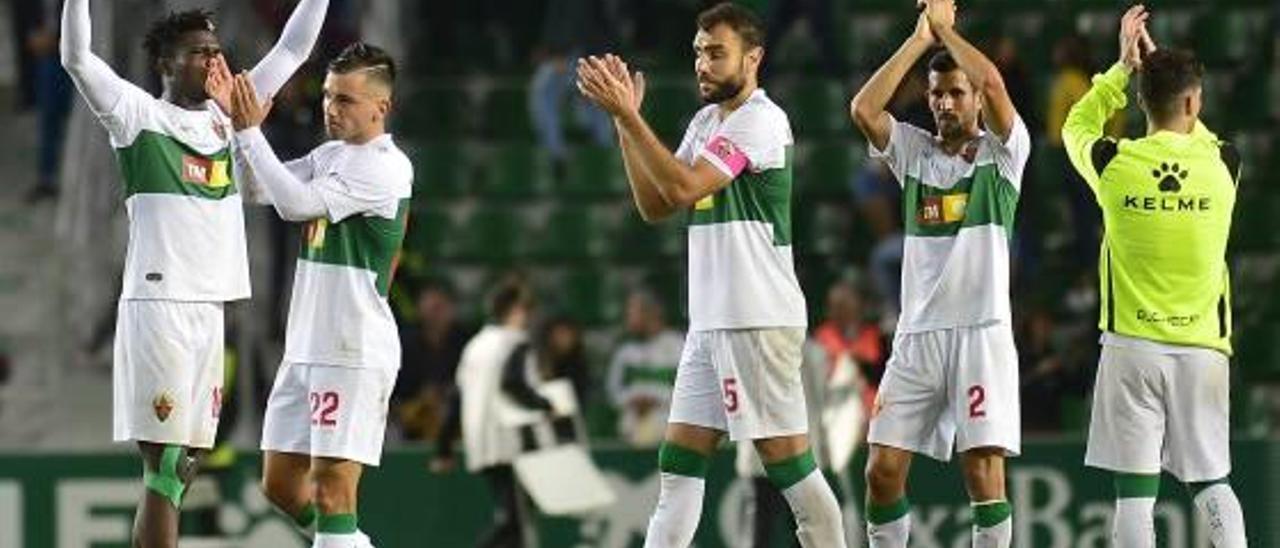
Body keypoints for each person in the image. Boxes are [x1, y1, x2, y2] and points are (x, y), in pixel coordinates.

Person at [577, 3, 846, 546]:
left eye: (717, 53)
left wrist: (632, 117)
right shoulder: (706, 122)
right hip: (711, 322)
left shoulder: (761, 121)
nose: (703, 63)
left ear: (754, 58)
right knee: (677, 464)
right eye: (699, 52)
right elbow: (656, 204)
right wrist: (622, 123)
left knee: (786, 462)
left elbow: (681, 188)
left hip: (756, 318)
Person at [58, 0, 327, 544]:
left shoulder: (229, 116)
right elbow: (77, 57)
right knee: (163, 468)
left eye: (215, 51)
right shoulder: (137, 116)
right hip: (161, 307)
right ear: (165, 64)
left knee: (184, 467)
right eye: (196, 53)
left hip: (211, 307)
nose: (211, 61)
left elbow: (294, 49)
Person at [1062, 6, 1247, 546]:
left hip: (1131, 348)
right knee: (1214, 484)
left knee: (1135, 497)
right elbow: (1200, 134)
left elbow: (1077, 124)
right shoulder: (1225, 163)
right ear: (1193, 102)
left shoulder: (1112, 163)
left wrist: (1123, 71)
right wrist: (1165, 72)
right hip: (1201, 351)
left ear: (1141, 102)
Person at [848, 0, 1031, 545]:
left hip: (980, 333)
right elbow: (863, 109)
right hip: (917, 337)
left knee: (981, 475)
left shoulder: (1004, 154)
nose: (947, 103)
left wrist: (948, 31)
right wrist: (919, 39)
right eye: (937, 95)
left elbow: (996, 84)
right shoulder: (915, 152)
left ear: (973, 97)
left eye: (957, 92)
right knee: (880, 472)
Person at [226, 42, 413, 547]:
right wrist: (244, 139)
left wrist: (248, 132)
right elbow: (258, 190)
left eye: (347, 100)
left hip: (349, 349)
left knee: (333, 494)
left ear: (381, 107)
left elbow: (295, 204)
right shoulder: (331, 155)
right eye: (329, 96)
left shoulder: (385, 167)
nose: (332, 108)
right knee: (282, 485)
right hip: (307, 345)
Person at [434, 275, 552, 548]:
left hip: (481, 445)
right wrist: (547, 405)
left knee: (513, 518)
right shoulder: (515, 342)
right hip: (511, 443)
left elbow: (456, 399)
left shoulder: (475, 346)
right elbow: (514, 383)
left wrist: (444, 447)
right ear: (516, 310)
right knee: (517, 523)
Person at [393, 281, 473, 442]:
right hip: (408, 415)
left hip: (454, 413)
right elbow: (394, 389)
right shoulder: (404, 342)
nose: (436, 314)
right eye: (432, 307)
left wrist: (444, 394)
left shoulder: (465, 342)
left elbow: (470, 384)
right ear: (419, 308)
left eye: (441, 306)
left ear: (452, 309)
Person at [606, 289, 685, 448]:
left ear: (652, 313)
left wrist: (656, 400)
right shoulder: (625, 351)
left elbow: (689, 391)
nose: (629, 318)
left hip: (669, 424)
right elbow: (613, 392)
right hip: (631, 423)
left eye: (633, 313)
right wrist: (632, 399)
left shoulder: (678, 345)